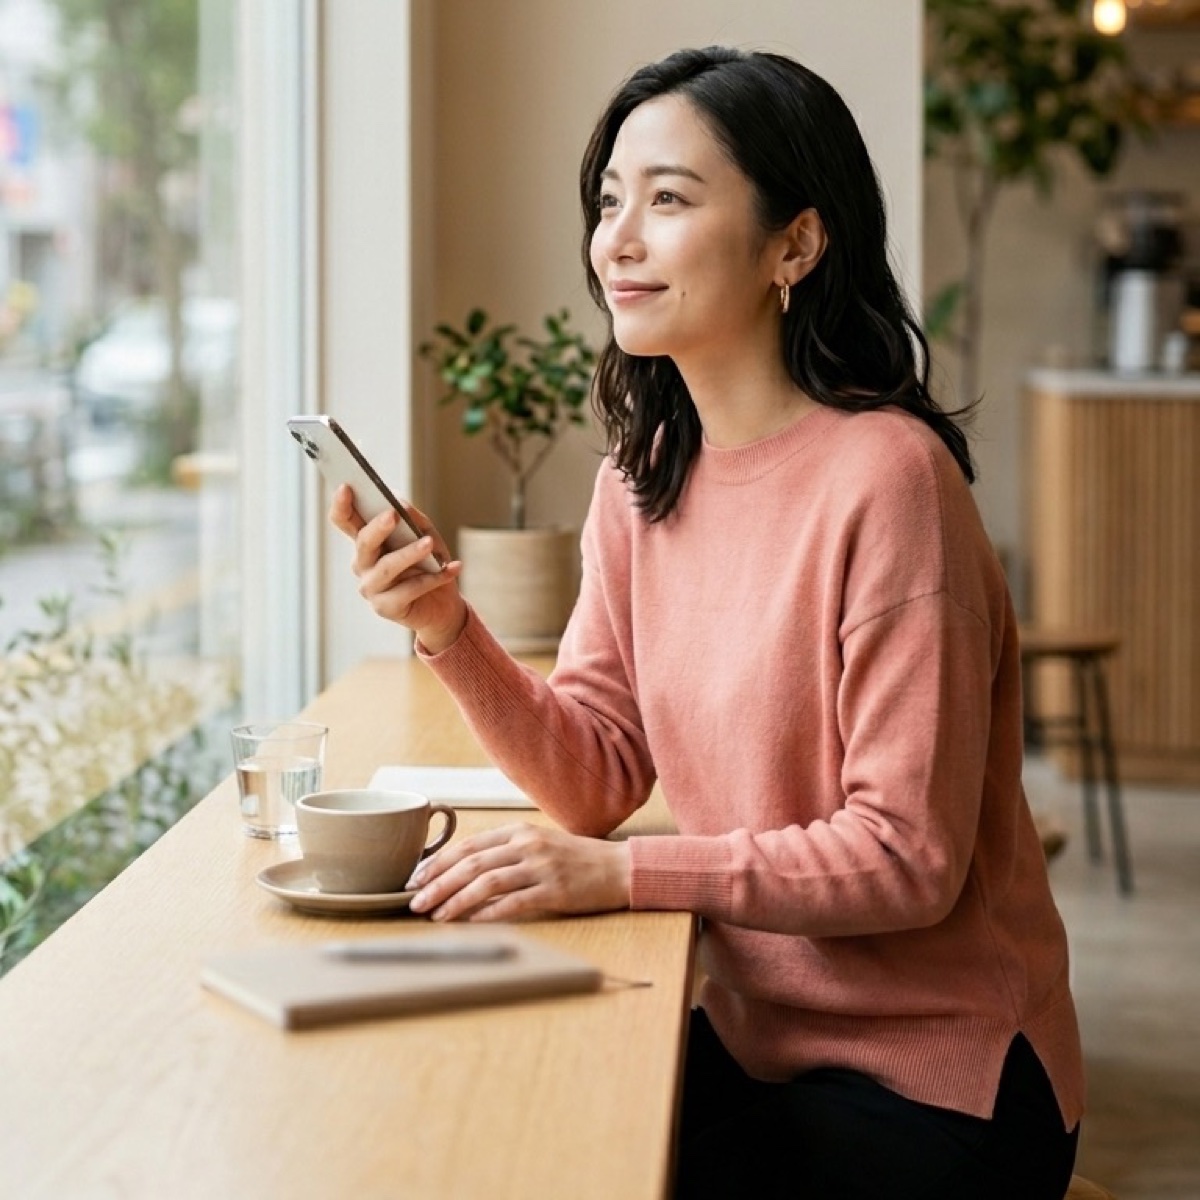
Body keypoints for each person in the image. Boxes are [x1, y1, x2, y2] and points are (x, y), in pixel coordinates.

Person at [330, 45, 1083, 1200]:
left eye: (669, 200)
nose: (617, 240)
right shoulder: (641, 481)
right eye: (609, 201)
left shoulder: (891, 481)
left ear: (797, 243)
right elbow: (594, 777)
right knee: (481, 1123)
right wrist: (447, 627)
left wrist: (621, 881)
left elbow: (907, 860)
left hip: (934, 1084)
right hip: (749, 1042)